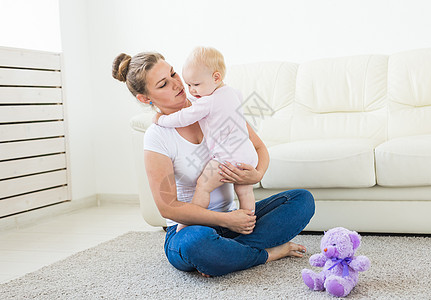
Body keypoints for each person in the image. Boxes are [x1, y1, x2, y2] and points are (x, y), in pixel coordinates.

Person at [112, 51, 315, 277]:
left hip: (236, 223)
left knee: (301, 200)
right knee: (196, 244)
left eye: (173, 73)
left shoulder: (214, 104)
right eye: (163, 84)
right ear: (145, 98)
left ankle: (226, 255)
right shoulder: (157, 136)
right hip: (191, 230)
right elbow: (167, 206)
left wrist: (256, 175)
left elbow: (259, 148)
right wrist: (227, 219)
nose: (177, 84)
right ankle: (268, 253)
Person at [153, 47, 258, 232]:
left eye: (196, 85)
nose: (191, 90)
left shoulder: (206, 102)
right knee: (245, 192)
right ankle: (249, 226)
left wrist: (161, 119)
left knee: (202, 186)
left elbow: (183, 117)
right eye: (189, 85)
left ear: (216, 78)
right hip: (247, 155)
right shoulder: (233, 93)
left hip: (227, 160)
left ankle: (186, 225)